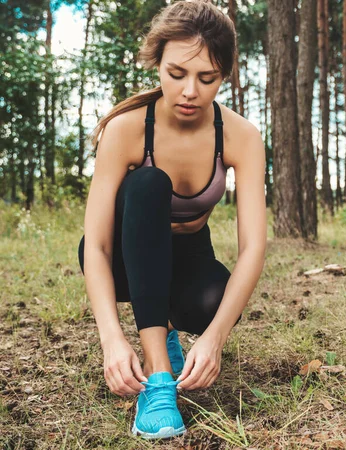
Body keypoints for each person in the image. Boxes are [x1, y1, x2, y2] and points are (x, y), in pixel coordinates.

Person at [77, 0, 266, 440]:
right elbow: (99, 245)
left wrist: (215, 338)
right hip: (124, 258)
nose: (189, 92)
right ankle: (159, 380)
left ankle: (167, 333)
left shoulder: (241, 135)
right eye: (176, 74)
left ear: (225, 75)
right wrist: (110, 339)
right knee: (148, 184)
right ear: (157, 62)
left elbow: (254, 246)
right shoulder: (125, 130)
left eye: (207, 78)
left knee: (211, 302)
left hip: (187, 258)